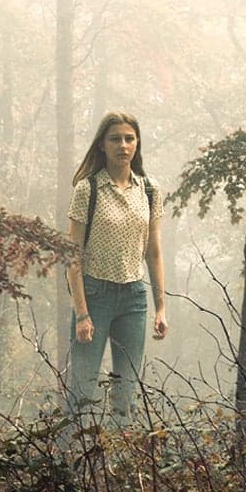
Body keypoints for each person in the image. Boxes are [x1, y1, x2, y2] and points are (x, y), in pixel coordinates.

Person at [66, 112, 168, 418]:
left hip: (134, 297)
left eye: (129, 138)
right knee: (83, 391)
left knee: (127, 393)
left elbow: (154, 253)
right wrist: (82, 313)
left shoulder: (149, 190)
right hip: (95, 295)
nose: (123, 145)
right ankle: (78, 461)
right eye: (115, 138)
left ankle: (124, 463)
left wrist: (161, 307)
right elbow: (73, 255)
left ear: (137, 143)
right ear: (102, 145)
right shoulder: (88, 189)